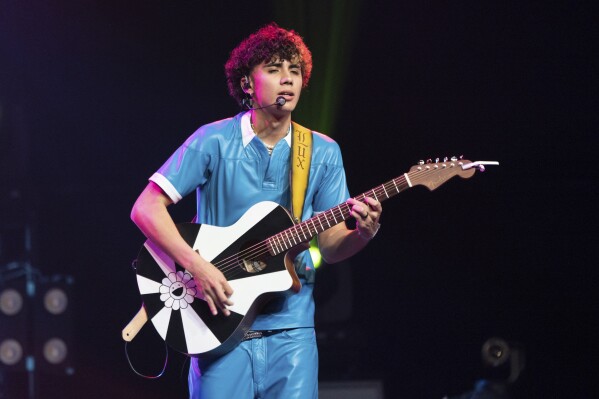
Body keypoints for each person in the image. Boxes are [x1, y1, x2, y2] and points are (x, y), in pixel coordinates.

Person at [131, 22, 382, 399]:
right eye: (274, 68)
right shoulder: (212, 140)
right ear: (247, 84)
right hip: (219, 326)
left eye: (294, 71)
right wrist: (198, 266)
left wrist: (362, 232)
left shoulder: (322, 151)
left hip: (292, 332)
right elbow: (146, 208)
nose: (287, 79)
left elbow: (330, 247)